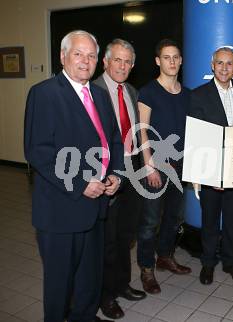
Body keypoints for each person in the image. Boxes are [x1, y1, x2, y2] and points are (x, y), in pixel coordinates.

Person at [24, 30, 124, 322]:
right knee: (60, 282)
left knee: (89, 278)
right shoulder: (44, 94)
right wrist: (81, 184)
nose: (85, 61)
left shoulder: (101, 95)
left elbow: (114, 140)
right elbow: (39, 151)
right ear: (62, 56)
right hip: (61, 208)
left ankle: (84, 316)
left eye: (91, 55)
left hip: (97, 207)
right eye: (78, 54)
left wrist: (116, 175)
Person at [189, 47, 233, 285]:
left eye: (229, 64)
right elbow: (196, 137)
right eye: (220, 63)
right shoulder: (198, 95)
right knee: (209, 220)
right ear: (212, 65)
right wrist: (209, 173)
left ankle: (230, 262)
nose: (224, 68)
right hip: (211, 169)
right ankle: (208, 264)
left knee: (232, 219)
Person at [94, 39, 146, 319]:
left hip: (132, 172)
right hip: (107, 176)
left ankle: (122, 284)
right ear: (105, 61)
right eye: (117, 60)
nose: (122, 66)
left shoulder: (132, 92)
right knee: (107, 241)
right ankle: (105, 295)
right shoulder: (93, 91)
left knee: (126, 235)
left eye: (127, 62)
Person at [137, 39, 191, 294]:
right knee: (150, 222)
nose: (172, 61)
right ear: (158, 61)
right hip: (155, 165)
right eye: (166, 57)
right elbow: (142, 132)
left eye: (176, 57)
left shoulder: (187, 93)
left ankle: (165, 256)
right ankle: (146, 269)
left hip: (181, 168)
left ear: (181, 60)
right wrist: (149, 167)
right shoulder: (148, 91)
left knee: (175, 217)